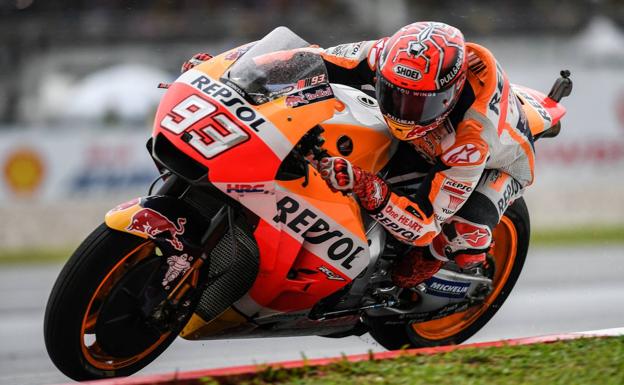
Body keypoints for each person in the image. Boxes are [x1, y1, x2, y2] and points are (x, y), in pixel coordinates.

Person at [181, 22, 534, 288]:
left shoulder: (473, 137)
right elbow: (311, 58)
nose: (404, 112)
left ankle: (438, 263)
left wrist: (370, 189)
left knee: (458, 235)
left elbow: (424, 223)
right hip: (428, 139)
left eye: (420, 103)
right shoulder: (382, 55)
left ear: (450, 95)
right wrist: (231, 74)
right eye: (395, 95)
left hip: (497, 163)